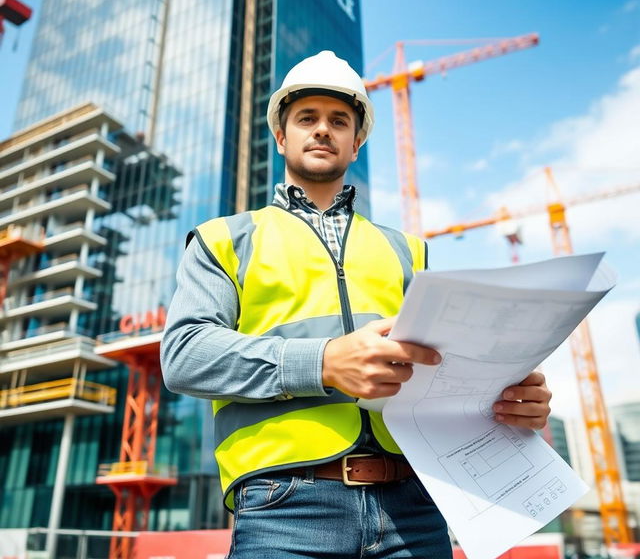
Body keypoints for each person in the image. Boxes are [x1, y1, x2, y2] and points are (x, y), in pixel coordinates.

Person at [160, 51, 552, 558]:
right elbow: (185, 355)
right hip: (283, 507)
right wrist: (322, 363)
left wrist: (507, 397)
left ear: (356, 141)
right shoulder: (224, 239)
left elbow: (441, 373)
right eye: (307, 118)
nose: (323, 130)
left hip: (415, 505)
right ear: (281, 136)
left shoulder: (408, 250)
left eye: (338, 121)